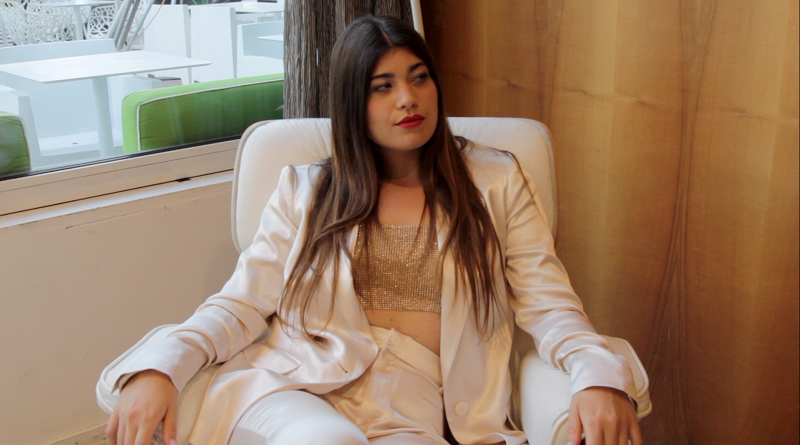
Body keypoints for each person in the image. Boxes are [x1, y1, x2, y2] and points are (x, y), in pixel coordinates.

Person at [105, 15, 642, 445]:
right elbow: (242, 302)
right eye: (382, 87)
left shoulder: (495, 180)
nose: (407, 98)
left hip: (413, 400)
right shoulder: (306, 189)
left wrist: (595, 372)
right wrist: (163, 366)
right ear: (352, 103)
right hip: (300, 385)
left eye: (419, 77)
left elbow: (548, 304)